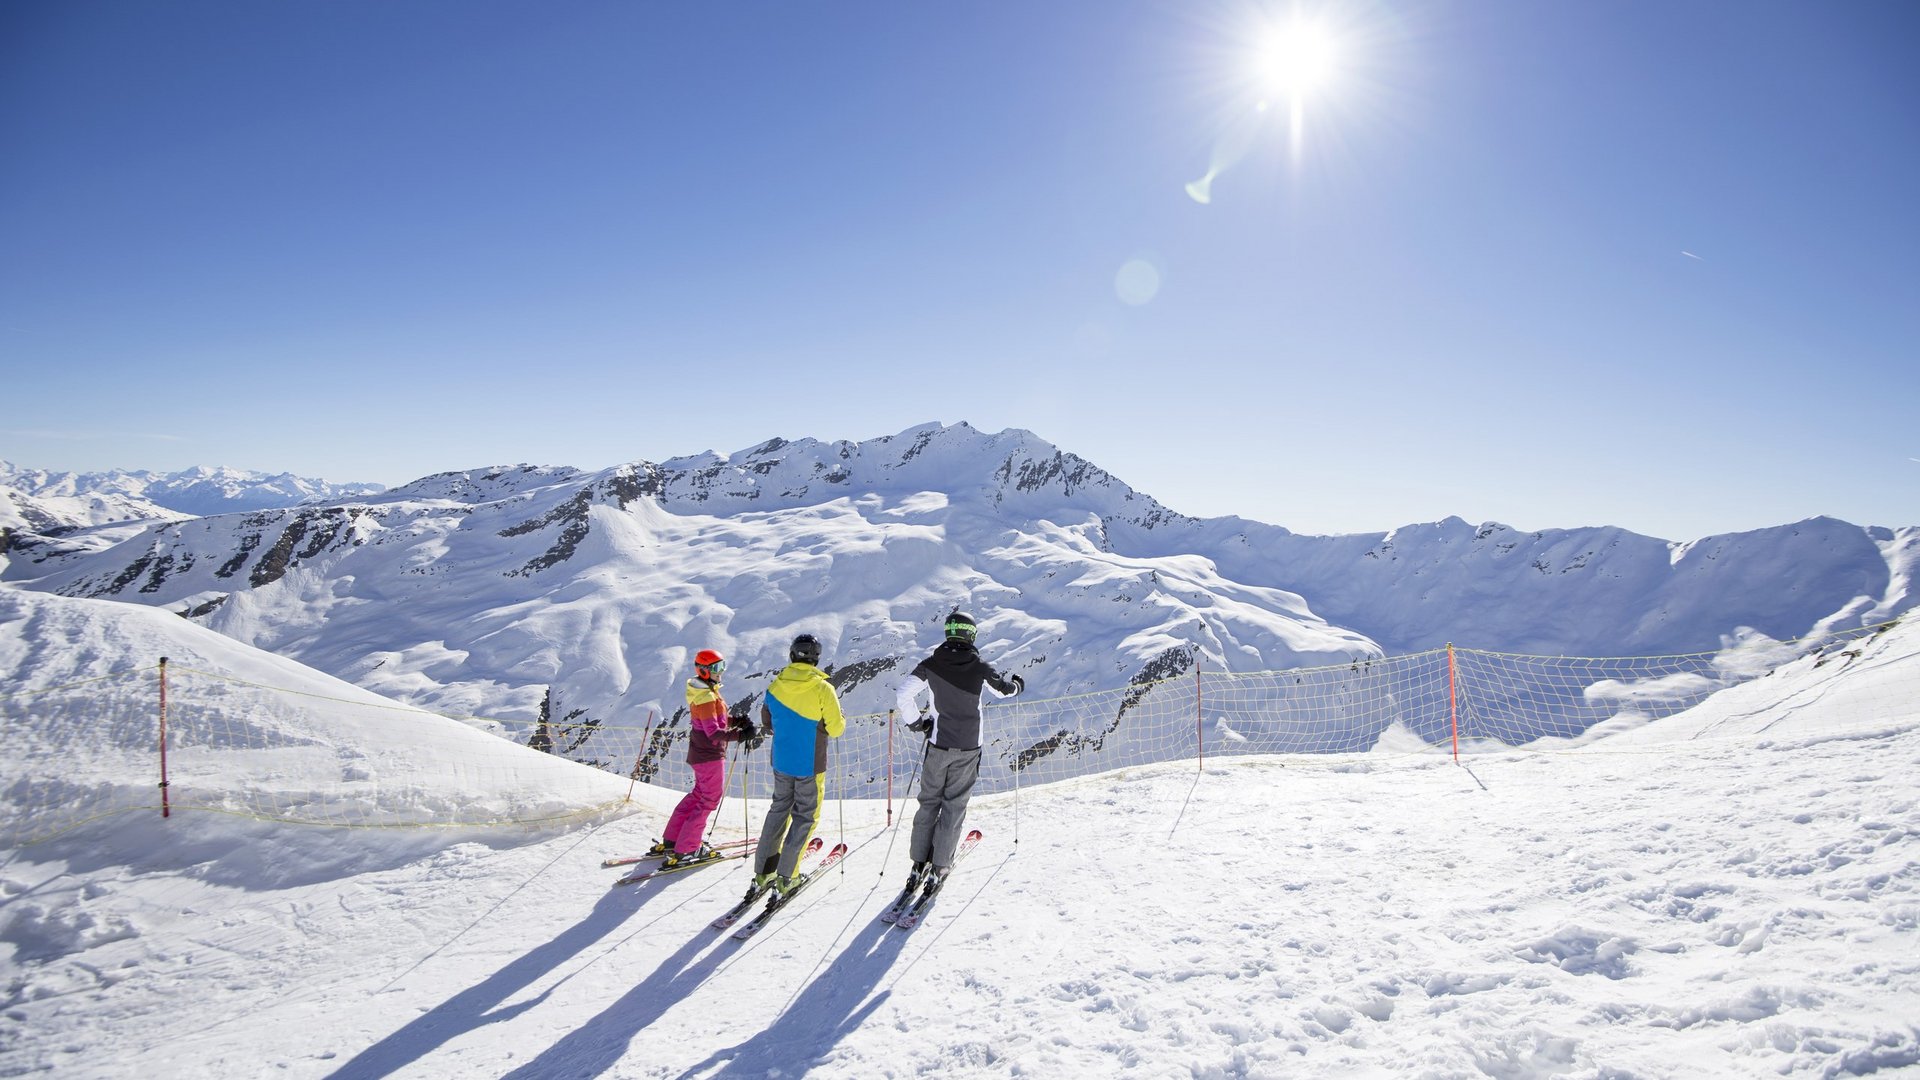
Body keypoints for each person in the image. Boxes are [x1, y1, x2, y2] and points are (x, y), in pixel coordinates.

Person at [894, 611, 1023, 894]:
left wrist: (920, 723)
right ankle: (940, 867)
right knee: (953, 806)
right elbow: (1004, 690)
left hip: (938, 744)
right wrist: (1018, 685)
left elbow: (903, 695)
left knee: (928, 803)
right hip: (968, 748)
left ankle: (918, 863)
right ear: (971, 635)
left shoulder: (931, 664)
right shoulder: (979, 667)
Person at [750, 633, 845, 896]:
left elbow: (768, 722)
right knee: (805, 817)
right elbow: (836, 728)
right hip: (809, 764)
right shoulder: (823, 688)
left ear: (792, 655)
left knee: (778, 811)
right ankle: (787, 877)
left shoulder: (775, 686)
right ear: (816, 658)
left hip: (781, 761)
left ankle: (763, 871)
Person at [651, 649, 756, 867]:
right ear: (704, 671)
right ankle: (688, 848)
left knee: (698, 795)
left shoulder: (704, 692)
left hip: (700, 753)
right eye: (717, 668)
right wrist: (741, 735)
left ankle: (672, 840)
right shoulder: (707, 696)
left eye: (722, 666)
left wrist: (735, 721)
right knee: (709, 799)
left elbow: (715, 720)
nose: (722, 672)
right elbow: (714, 733)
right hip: (709, 756)